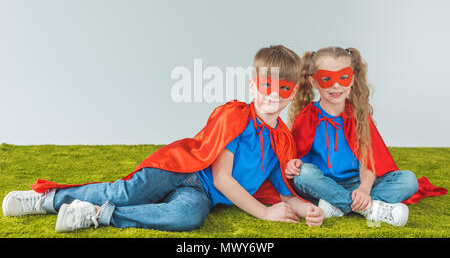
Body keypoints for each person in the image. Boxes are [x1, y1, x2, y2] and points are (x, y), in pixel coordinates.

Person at [2, 45, 324, 232]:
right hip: (184, 169)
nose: (274, 95)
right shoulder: (236, 116)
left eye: (283, 88)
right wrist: (265, 213)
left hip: (204, 197)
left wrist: (307, 208)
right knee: (126, 191)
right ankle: (47, 200)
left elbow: (281, 190)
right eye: (266, 86)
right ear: (253, 86)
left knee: (188, 217)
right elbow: (223, 179)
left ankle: (98, 215)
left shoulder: (281, 139)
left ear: (292, 91)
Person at [284, 46, 420, 227]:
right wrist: (293, 164)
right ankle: (371, 209)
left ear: (352, 79)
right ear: (314, 82)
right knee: (304, 175)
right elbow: (297, 160)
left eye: (343, 77)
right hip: (322, 183)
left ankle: (337, 205)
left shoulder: (359, 115)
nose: (336, 85)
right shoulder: (308, 116)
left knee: (408, 180)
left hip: (357, 183)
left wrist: (364, 188)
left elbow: (369, 160)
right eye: (326, 79)